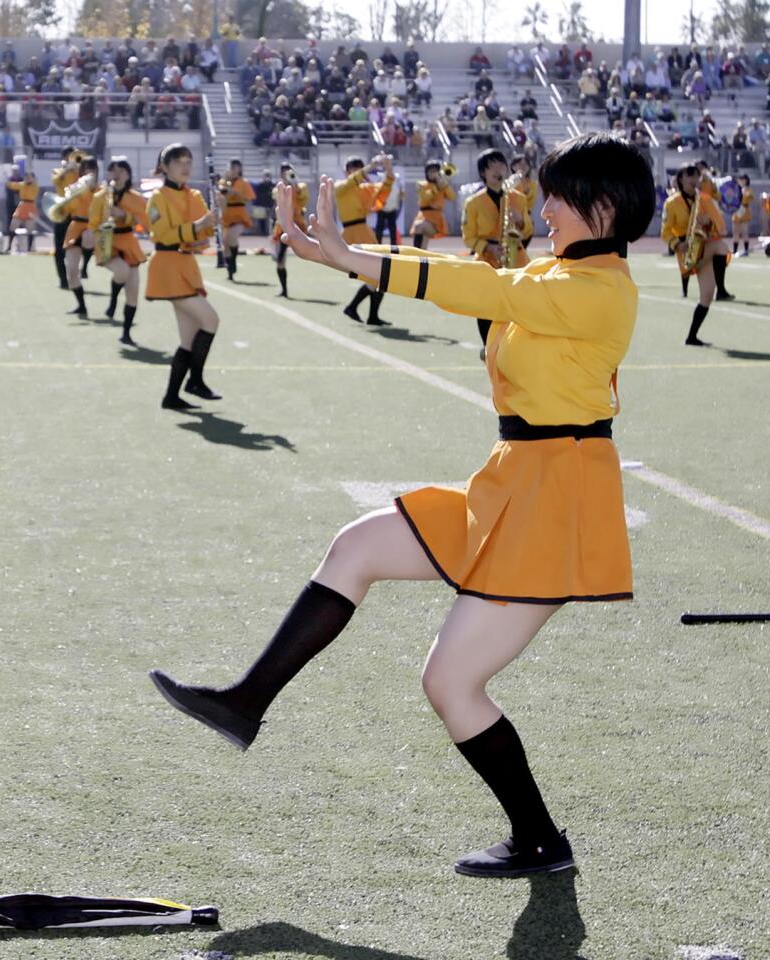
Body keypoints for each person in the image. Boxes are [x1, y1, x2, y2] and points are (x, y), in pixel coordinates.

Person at [154, 131, 656, 880]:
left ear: (603, 206)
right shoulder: (556, 270)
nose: (544, 205)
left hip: (556, 498)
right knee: (356, 547)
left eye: (557, 194)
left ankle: (540, 840)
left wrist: (354, 258)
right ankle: (243, 703)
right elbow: (468, 274)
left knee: (450, 685)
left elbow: (481, 291)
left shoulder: (596, 287)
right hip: (514, 477)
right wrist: (344, 257)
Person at [146, 142, 222, 410]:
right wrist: (197, 227)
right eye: (178, 161)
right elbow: (163, 234)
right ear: (164, 167)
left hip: (186, 265)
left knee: (188, 339)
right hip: (167, 266)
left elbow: (203, 234)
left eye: (189, 161)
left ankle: (171, 396)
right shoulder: (157, 197)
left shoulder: (194, 196)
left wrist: (211, 221)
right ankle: (196, 381)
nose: (185, 166)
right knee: (210, 319)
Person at [462, 148, 531, 354]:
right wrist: (488, 247)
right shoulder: (473, 203)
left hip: (515, 256)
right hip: (487, 258)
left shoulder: (518, 197)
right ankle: (488, 345)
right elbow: (469, 237)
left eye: (501, 164)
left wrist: (520, 220)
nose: (498, 169)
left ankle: (517, 345)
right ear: (483, 172)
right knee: (485, 305)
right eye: (492, 166)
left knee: (520, 304)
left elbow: (528, 230)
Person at [662, 163, 731, 346]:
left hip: (703, 245)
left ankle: (691, 336)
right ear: (681, 179)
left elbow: (716, 226)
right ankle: (723, 289)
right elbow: (665, 231)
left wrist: (708, 223)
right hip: (687, 249)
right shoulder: (672, 203)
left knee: (706, 295)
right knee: (721, 247)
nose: (694, 180)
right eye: (690, 175)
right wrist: (678, 244)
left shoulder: (704, 199)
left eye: (696, 176)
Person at [88, 156, 150, 345]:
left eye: (121, 170)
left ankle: (126, 333)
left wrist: (125, 215)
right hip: (108, 241)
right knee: (122, 272)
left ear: (128, 175)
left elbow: (145, 222)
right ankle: (114, 297)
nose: (117, 174)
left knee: (133, 290)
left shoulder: (136, 198)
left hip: (128, 241)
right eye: (113, 170)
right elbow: (92, 221)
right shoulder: (100, 196)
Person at [335, 153, 393, 325]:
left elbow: (386, 186)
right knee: (377, 275)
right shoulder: (340, 186)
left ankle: (369, 314)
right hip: (353, 233)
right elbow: (351, 181)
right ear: (346, 172)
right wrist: (371, 166)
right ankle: (355, 308)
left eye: (358, 169)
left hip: (364, 232)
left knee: (381, 275)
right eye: (352, 169)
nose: (356, 173)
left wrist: (388, 166)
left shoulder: (365, 188)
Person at [57, 156, 99, 316]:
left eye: (92, 168)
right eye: (86, 169)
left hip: (92, 227)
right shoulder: (74, 188)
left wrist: (92, 188)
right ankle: (81, 305)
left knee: (88, 236)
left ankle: (86, 266)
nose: (89, 172)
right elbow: (67, 209)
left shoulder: (100, 188)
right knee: (71, 272)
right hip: (75, 226)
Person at [269, 163, 307, 299]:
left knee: (308, 251)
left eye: (289, 172)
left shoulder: (300, 187)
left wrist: (294, 183)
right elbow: (278, 198)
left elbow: (304, 198)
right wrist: (285, 184)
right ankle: (284, 289)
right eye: (284, 172)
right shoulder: (278, 188)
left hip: (298, 225)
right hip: (283, 226)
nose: (287, 175)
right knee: (280, 258)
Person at [218, 158, 255, 280]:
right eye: (231, 167)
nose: (233, 170)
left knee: (232, 236)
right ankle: (230, 270)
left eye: (235, 167)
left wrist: (235, 192)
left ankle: (233, 259)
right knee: (225, 243)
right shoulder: (223, 182)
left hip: (239, 214)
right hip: (226, 214)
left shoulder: (243, 182)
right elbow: (221, 195)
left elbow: (249, 197)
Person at [50, 147, 81, 288]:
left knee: (75, 248)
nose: (72, 159)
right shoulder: (58, 171)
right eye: (70, 156)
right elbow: (56, 180)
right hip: (62, 213)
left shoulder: (80, 173)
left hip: (76, 214)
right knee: (59, 249)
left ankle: (76, 276)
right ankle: (63, 280)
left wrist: (79, 169)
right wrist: (68, 169)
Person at [409, 161, 456, 250]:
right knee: (422, 241)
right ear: (426, 173)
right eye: (430, 171)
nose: (433, 173)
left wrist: (444, 185)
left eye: (435, 171)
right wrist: (437, 188)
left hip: (436, 219)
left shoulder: (443, 185)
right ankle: (420, 257)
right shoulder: (421, 184)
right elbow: (425, 198)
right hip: (423, 216)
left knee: (419, 226)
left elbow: (452, 197)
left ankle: (415, 253)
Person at [6, 168, 40, 253]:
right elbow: (11, 185)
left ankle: (29, 248)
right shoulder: (22, 184)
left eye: (29, 177)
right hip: (22, 206)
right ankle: (9, 246)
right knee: (13, 225)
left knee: (30, 228)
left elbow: (30, 193)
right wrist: (8, 178)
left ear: (33, 178)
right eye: (26, 177)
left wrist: (25, 183)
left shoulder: (35, 185)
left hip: (31, 206)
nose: (27, 178)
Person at [730, 173, 752, 256]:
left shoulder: (747, 189)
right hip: (736, 210)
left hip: (744, 211)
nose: (741, 181)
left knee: (744, 231)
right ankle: (735, 250)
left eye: (742, 179)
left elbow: (749, 197)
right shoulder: (735, 189)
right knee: (735, 232)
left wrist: (743, 191)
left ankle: (746, 250)